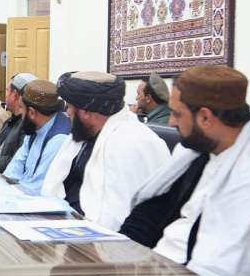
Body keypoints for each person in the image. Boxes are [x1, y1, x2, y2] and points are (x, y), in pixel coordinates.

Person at [120, 66, 250, 276]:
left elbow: (227, 269)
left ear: (205, 118)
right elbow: (148, 215)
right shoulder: (195, 154)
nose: (171, 123)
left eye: (177, 114)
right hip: (151, 271)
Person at [41, 71, 170, 230]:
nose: (67, 113)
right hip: (64, 223)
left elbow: (116, 220)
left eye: (70, 107)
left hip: (96, 238)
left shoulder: (130, 143)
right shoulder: (84, 134)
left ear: (86, 111)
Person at [2, 79, 70, 194]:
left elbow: (37, 188)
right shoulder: (35, 127)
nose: (20, 113)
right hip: (22, 194)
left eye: (21, 108)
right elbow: (15, 167)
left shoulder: (58, 139)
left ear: (32, 112)